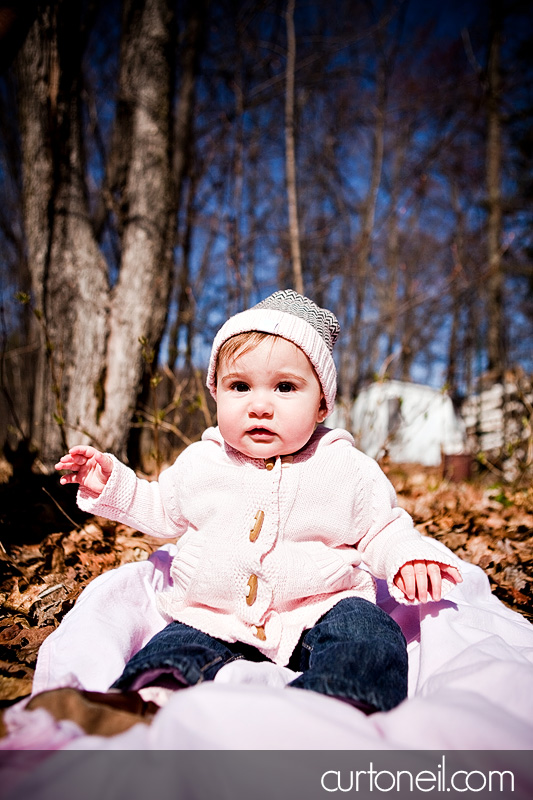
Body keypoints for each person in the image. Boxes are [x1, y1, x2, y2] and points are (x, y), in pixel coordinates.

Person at [56, 289, 462, 714]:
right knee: (176, 644)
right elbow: (160, 506)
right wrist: (111, 484)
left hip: (319, 605)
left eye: (285, 387)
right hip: (214, 612)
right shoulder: (203, 461)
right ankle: (146, 702)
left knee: (369, 633)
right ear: (216, 393)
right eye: (240, 386)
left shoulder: (345, 466)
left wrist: (408, 557)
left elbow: (382, 529)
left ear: (322, 403)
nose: (260, 406)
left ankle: (338, 708)